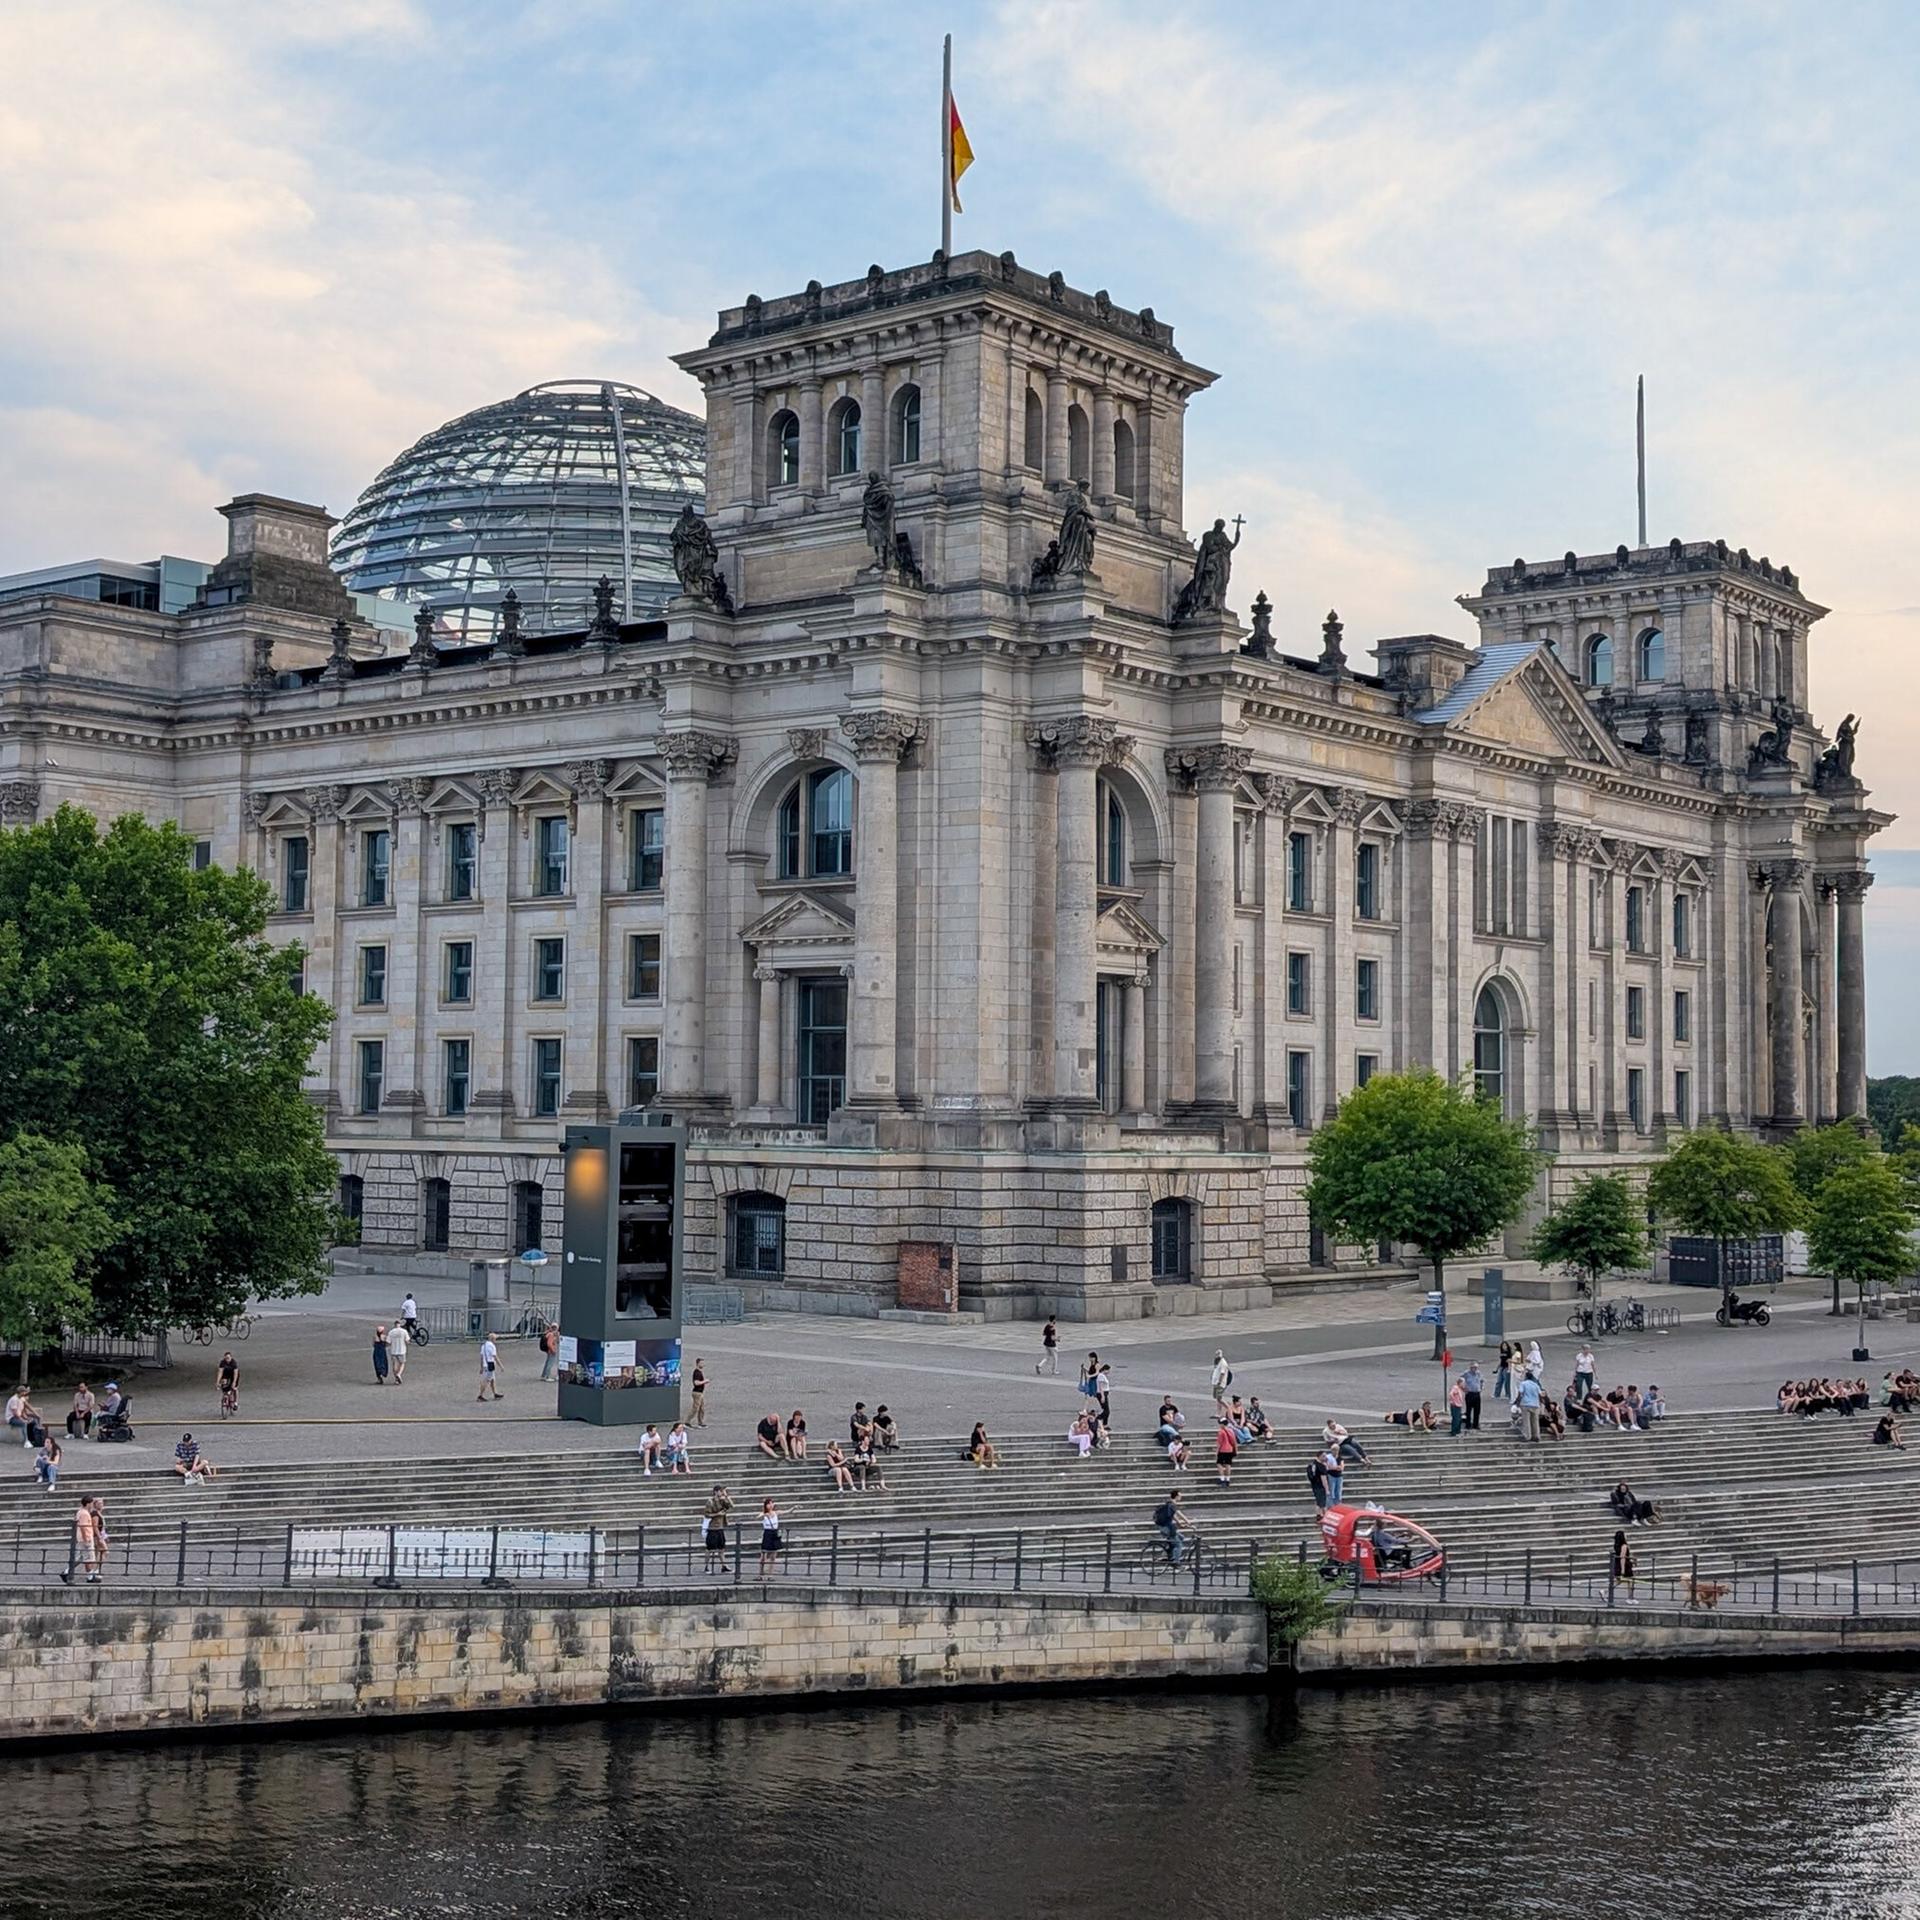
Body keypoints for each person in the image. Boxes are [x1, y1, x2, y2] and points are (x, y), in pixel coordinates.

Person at [1153, 1488, 1198, 1568]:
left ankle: (1170, 1555)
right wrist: (1189, 1522)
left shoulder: (1168, 1505)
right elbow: (1179, 1514)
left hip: (1164, 1527)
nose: (1181, 1497)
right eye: (1180, 1496)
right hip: (1167, 1528)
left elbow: (1174, 1517)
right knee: (1178, 1544)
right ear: (1176, 1496)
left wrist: (1182, 1524)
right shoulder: (1172, 1505)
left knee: (1181, 1537)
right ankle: (1176, 1563)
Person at [62, 1495, 101, 1585]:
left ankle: (70, 1572)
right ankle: (88, 1576)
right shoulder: (84, 1513)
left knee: (82, 1558)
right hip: (85, 1538)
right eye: (91, 1503)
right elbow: (83, 1527)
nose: (92, 1505)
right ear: (88, 1504)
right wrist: (86, 1539)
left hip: (83, 1538)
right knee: (89, 1558)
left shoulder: (81, 1512)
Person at [702, 1486, 733, 1572]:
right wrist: (717, 1514)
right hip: (712, 1528)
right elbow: (706, 1514)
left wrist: (726, 1496)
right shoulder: (710, 1502)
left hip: (720, 1527)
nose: (721, 1493)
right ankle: (706, 1566)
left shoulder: (722, 1501)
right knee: (710, 1548)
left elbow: (731, 1506)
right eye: (720, 1491)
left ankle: (724, 1566)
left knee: (721, 1548)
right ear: (715, 1492)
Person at [1515, 1371, 1543, 1443]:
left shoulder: (1523, 1384)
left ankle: (1527, 1436)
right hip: (1535, 1404)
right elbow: (1540, 1395)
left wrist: (1517, 1402)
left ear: (1526, 1377)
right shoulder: (1536, 1385)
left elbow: (1520, 1393)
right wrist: (1540, 1403)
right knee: (1535, 1421)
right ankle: (1536, 1436)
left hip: (1526, 1403)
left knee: (1526, 1421)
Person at [758, 1497, 782, 1579]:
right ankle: (761, 1574)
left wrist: (794, 1508)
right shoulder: (764, 1514)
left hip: (774, 1533)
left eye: (771, 1503)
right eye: (768, 1504)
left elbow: (787, 1511)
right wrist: (764, 1514)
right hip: (767, 1534)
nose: (770, 1505)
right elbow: (758, 1516)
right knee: (763, 1556)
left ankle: (770, 1575)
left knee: (773, 1556)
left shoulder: (776, 1513)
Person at [1611, 1529, 1637, 1603]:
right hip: (1625, 1566)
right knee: (1630, 1581)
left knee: (1620, 1581)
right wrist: (1623, 1569)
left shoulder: (1617, 1545)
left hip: (1620, 1564)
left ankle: (1605, 1591)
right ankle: (1630, 1598)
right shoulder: (1624, 1546)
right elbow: (1623, 1557)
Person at [476, 1335, 502, 1401]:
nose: (495, 1340)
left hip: (485, 1365)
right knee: (487, 1380)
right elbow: (495, 1356)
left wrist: (481, 1367)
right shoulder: (492, 1346)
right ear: (492, 1339)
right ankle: (480, 1395)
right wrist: (501, 1366)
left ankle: (495, 1394)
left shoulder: (483, 1346)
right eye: (495, 1339)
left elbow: (482, 1358)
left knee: (492, 1380)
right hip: (490, 1365)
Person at [215, 1352, 240, 1419]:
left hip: (233, 1375)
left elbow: (235, 1374)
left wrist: (234, 1382)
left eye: (228, 1358)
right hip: (226, 1375)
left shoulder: (233, 1363)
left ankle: (236, 1402)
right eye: (226, 1358)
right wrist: (217, 1382)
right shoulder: (222, 1363)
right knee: (224, 1385)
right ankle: (225, 1397)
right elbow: (220, 1372)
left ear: (231, 1357)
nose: (227, 1359)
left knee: (234, 1388)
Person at [1215, 1417, 1239, 1486]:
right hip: (1230, 1450)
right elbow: (1234, 1442)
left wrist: (1216, 1452)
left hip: (1223, 1450)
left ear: (1222, 1424)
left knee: (1219, 1464)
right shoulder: (1231, 1431)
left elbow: (1219, 1443)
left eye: (1220, 1424)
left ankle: (1222, 1479)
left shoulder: (1221, 1432)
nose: (1219, 1425)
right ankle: (1228, 1479)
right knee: (1228, 1464)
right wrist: (1236, 1450)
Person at [1210, 1350, 1233, 1418]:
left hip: (1220, 1383)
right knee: (1217, 1398)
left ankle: (1229, 1408)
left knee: (1219, 1398)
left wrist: (1219, 1382)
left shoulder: (1223, 1363)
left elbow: (1222, 1373)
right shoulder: (1217, 1362)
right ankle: (1219, 1413)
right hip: (1216, 1382)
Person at [1461, 1361, 1483, 1431]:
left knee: (1477, 1410)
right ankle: (1468, 1424)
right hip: (1469, 1393)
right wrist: (1464, 1388)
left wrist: (1481, 1388)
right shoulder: (1466, 1374)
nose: (1475, 1369)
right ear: (1471, 1368)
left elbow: (1481, 1381)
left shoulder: (1478, 1373)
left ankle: (1476, 1424)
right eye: (1474, 1367)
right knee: (1468, 1410)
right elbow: (1460, 1381)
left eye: (1476, 1367)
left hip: (1477, 1393)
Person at [387, 1320, 408, 1387]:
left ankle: (396, 1379)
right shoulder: (404, 1331)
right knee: (402, 1363)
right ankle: (399, 1374)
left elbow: (388, 1342)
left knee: (395, 1364)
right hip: (402, 1350)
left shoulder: (391, 1332)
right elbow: (407, 1341)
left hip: (393, 1350)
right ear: (400, 1324)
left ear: (394, 1325)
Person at [690, 1359, 708, 1428]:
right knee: (695, 1409)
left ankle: (700, 1422)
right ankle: (687, 1422)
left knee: (702, 1408)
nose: (703, 1364)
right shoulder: (697, 1373)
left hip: (700, 1393)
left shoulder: (699, 1372)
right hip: (697, 1393)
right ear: (697, 1364)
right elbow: (696, 1383)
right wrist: (705, 1381)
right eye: (701, 1363)